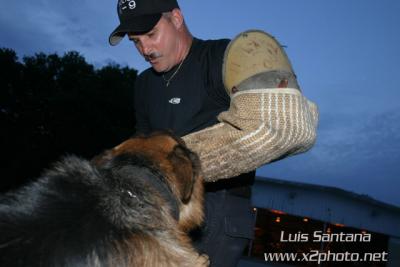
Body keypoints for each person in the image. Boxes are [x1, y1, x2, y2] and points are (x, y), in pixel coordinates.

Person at [109, 0, 255, 266]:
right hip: (159, 204)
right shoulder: (143, 84)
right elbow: (142, 141)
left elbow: (255, 129)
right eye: (135, 41)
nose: (145, 49)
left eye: (151, 35)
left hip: (218, 205)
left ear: (176, 18)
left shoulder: (222, 57)